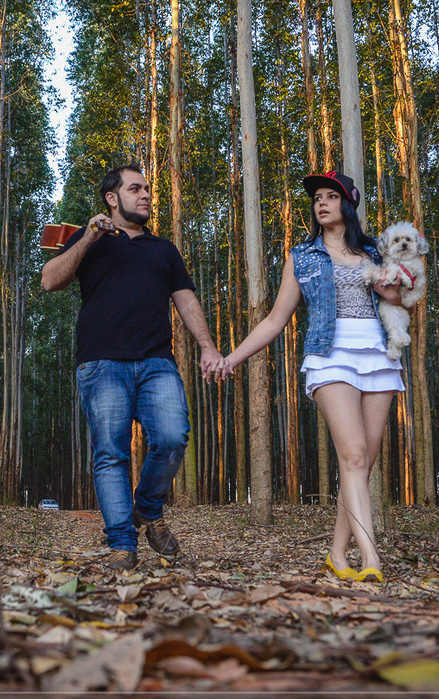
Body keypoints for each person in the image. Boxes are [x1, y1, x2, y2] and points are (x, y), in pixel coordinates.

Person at [211, 171, 404, 583]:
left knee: (363, 464)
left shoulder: (375, 251)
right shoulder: (302, 257)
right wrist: (232, 358)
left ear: (347, 204)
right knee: (352, 456)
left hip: (379, 355)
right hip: (329, 355)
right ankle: (372, 559)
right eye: (317, 198)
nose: (321, 203)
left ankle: (337, 553)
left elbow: (402, 301)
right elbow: (276, 319)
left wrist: (395, 285)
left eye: (331, 196)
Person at [42, 164, 222, 572]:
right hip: (101, 362)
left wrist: (207, 347)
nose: (145, 195)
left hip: (157, 361)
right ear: (112, 198)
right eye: (135, 188)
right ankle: (123, 544)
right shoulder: (88, 240)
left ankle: (146, 509)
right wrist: (88, 235)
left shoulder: (164, 250)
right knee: (111, 454)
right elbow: (50, 281)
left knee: (174, 438)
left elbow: (187, 301)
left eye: (147, 189)